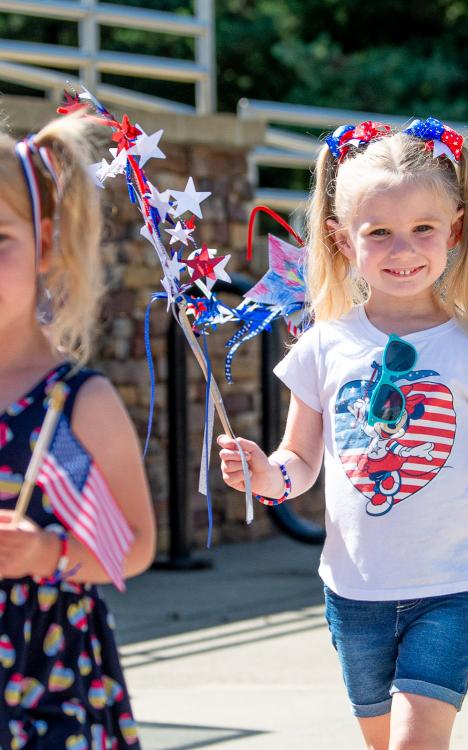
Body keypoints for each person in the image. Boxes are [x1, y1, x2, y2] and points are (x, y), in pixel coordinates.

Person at [217, 120, 468, 750]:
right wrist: (266, 475)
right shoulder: (325, 344)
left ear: (455, 231)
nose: (402, 249)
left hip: (448, 590)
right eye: (378, 232)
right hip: (352, 592)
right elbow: (299, 458)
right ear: (341, 239)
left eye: (422, 230)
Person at [0, 114, 156, 747]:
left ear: (44, 243)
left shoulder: (77, 402)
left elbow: (137, 545)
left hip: (48, 676)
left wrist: (47, 555)